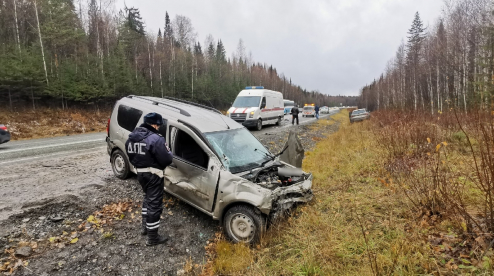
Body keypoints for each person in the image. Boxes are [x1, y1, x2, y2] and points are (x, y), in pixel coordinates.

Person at [126, 112, 173, 246]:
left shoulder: (132, 137)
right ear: (154, 124)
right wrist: (169, 152)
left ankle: (145, 227)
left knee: (147, 198)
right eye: (158, 125)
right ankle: (153, 238)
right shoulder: (155, 139)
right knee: (154, 205)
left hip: (140, 174)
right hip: (153, 175)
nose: (158, 128)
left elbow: (131, 155)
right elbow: (167, 158)